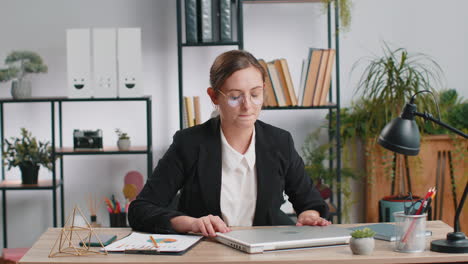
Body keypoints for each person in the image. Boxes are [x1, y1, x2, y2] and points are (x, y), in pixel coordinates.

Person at [128, 50, 330, 237]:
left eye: (255, 94)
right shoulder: (189, 143)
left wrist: (309, 215)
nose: (247, 106)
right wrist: (190, 223)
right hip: (207, 253)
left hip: (265, 252)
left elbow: (310, 202)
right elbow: (141, 209)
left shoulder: (279, 142)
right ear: (214, 96)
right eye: (235, 97)